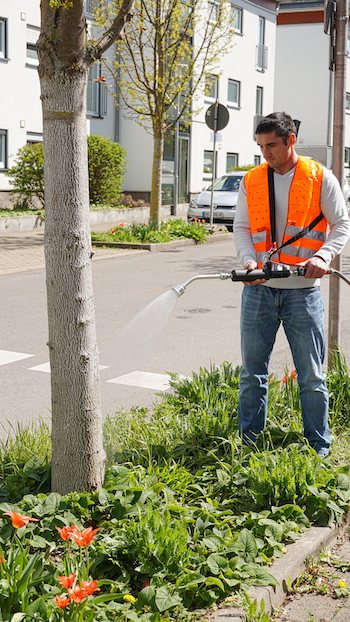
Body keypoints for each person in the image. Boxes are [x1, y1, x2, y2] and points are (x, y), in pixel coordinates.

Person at [233, 111, 350, 456]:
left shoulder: (319, 177)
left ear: (290, 141)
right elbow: (241, 228)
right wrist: (248, 261)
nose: (265, 153)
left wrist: (323, 257)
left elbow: (341, 225)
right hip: (258, 291)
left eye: (271, 145)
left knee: (312, 376)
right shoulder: (252, 180)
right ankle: (249, 445)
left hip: (303, 293)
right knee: (251, 376)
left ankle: (320, 448)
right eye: (260, 146)